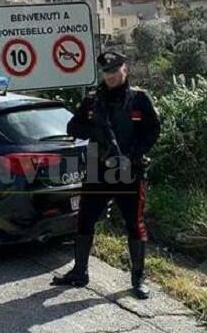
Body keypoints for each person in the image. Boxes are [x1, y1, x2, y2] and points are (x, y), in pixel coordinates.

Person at [52, 51, 161, 300]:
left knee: (134, 223)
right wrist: (96, 131)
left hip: (128, 169)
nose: (110, 76)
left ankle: (138, 279)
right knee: (85, 219)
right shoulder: (92, 100)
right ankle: (80, 272)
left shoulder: (139, 100)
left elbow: (153, 130)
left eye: (114, 71)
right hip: (97, 168)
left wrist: (133, 154)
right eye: (106, 72)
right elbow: (73, 127)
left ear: (125, 69)